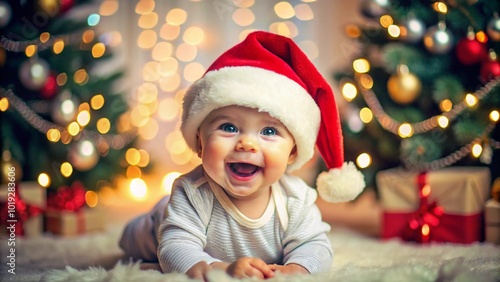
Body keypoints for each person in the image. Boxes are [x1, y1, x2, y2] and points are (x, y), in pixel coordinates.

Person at [119, 30, 365, 280]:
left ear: (292, 153)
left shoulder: (296, 198)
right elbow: (174, 250)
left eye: (269, 131)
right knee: (133, 240)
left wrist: (297, 269)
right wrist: (221, 269)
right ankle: (146, 221)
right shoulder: (191, 192)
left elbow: (316, 246)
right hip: (158, 224)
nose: (246, 143)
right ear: (200, 142)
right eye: (229, 127)